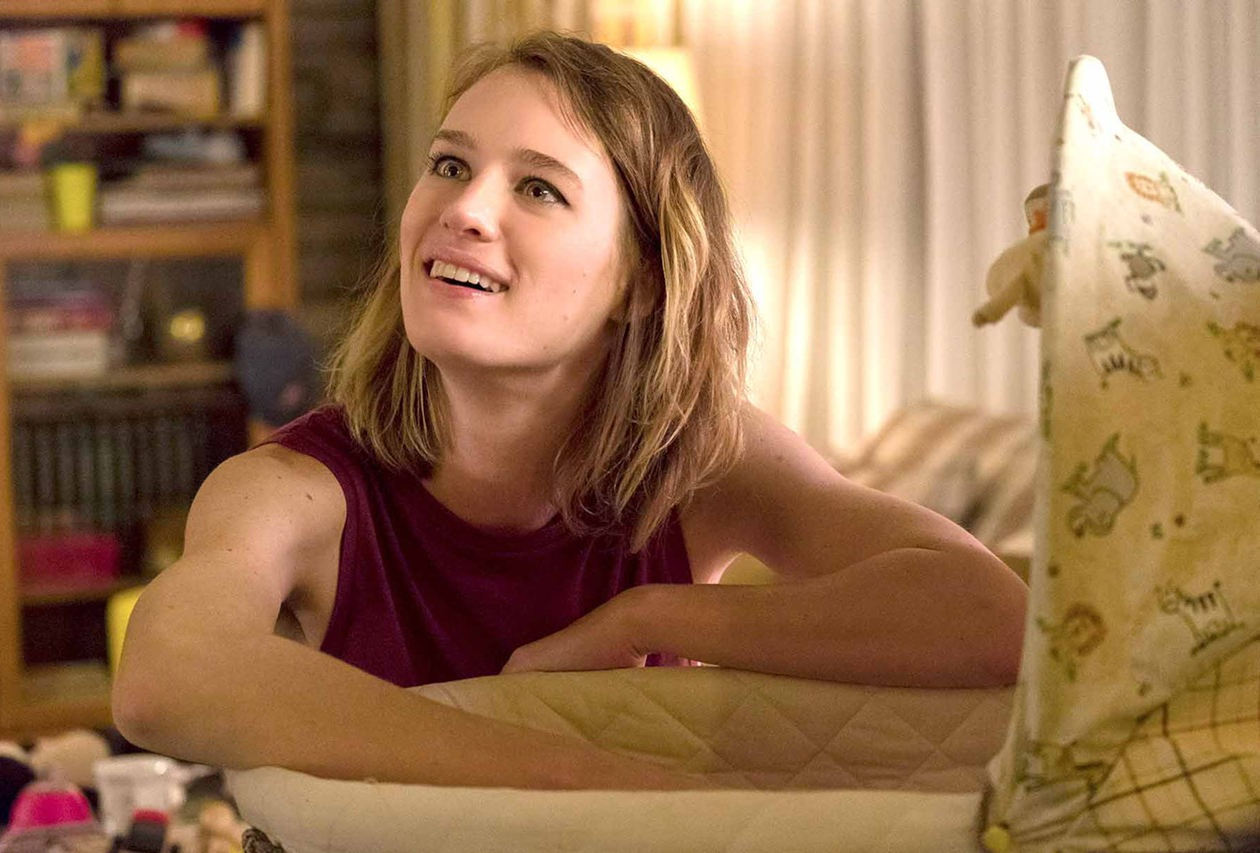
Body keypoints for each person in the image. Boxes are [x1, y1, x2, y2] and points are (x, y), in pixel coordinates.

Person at [113, 31, 1028, 791]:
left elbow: (994, 616)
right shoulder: (295, 488)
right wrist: (588, 782)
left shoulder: (706, 459)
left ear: (642, 280)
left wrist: (646, 617)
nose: (465, 209)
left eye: (539, 187)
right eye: (449, 164)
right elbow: (167, 674)